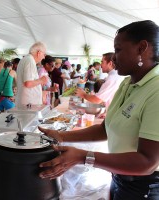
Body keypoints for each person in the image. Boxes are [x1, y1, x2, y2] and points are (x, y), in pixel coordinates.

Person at [39, 20, 159, 199]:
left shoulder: (155, 90)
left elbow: (147, 162)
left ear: (142, 48)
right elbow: (105, 128)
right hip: (119, 177)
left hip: (144, 187)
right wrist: (62, 136)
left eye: (118, 50)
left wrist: (83, 157)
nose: (114, 58)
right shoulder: (128, 83)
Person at [16, 42, 48, 107]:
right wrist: (41, 80)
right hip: (29, 103)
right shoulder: (30, 61)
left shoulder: (26, 59)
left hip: (27, 103)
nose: (44, 57)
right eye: (44, 54)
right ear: (39, 53)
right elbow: (28, 83)